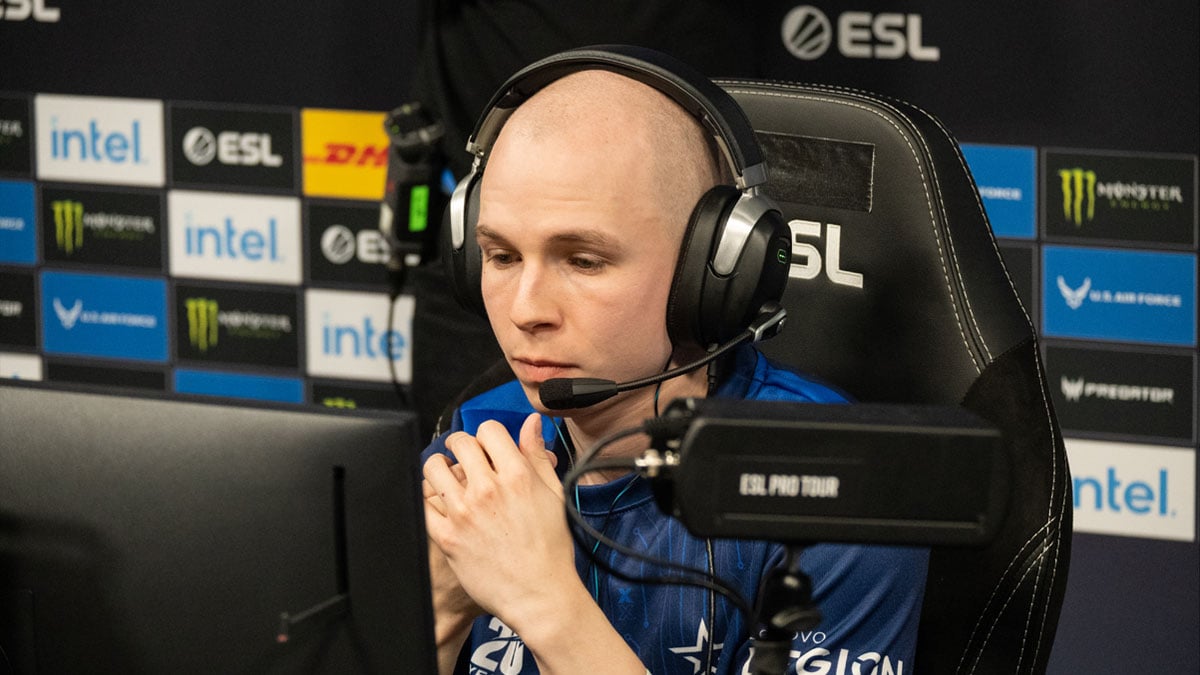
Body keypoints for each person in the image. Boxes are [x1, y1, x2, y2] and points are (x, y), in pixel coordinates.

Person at [420, 50, 928, 675]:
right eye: (501, 256)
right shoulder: (475, 446)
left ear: (712, 273)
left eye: (583, 261)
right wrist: (438, 617)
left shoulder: (831, 489)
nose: (526, 310)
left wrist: (545, 604)